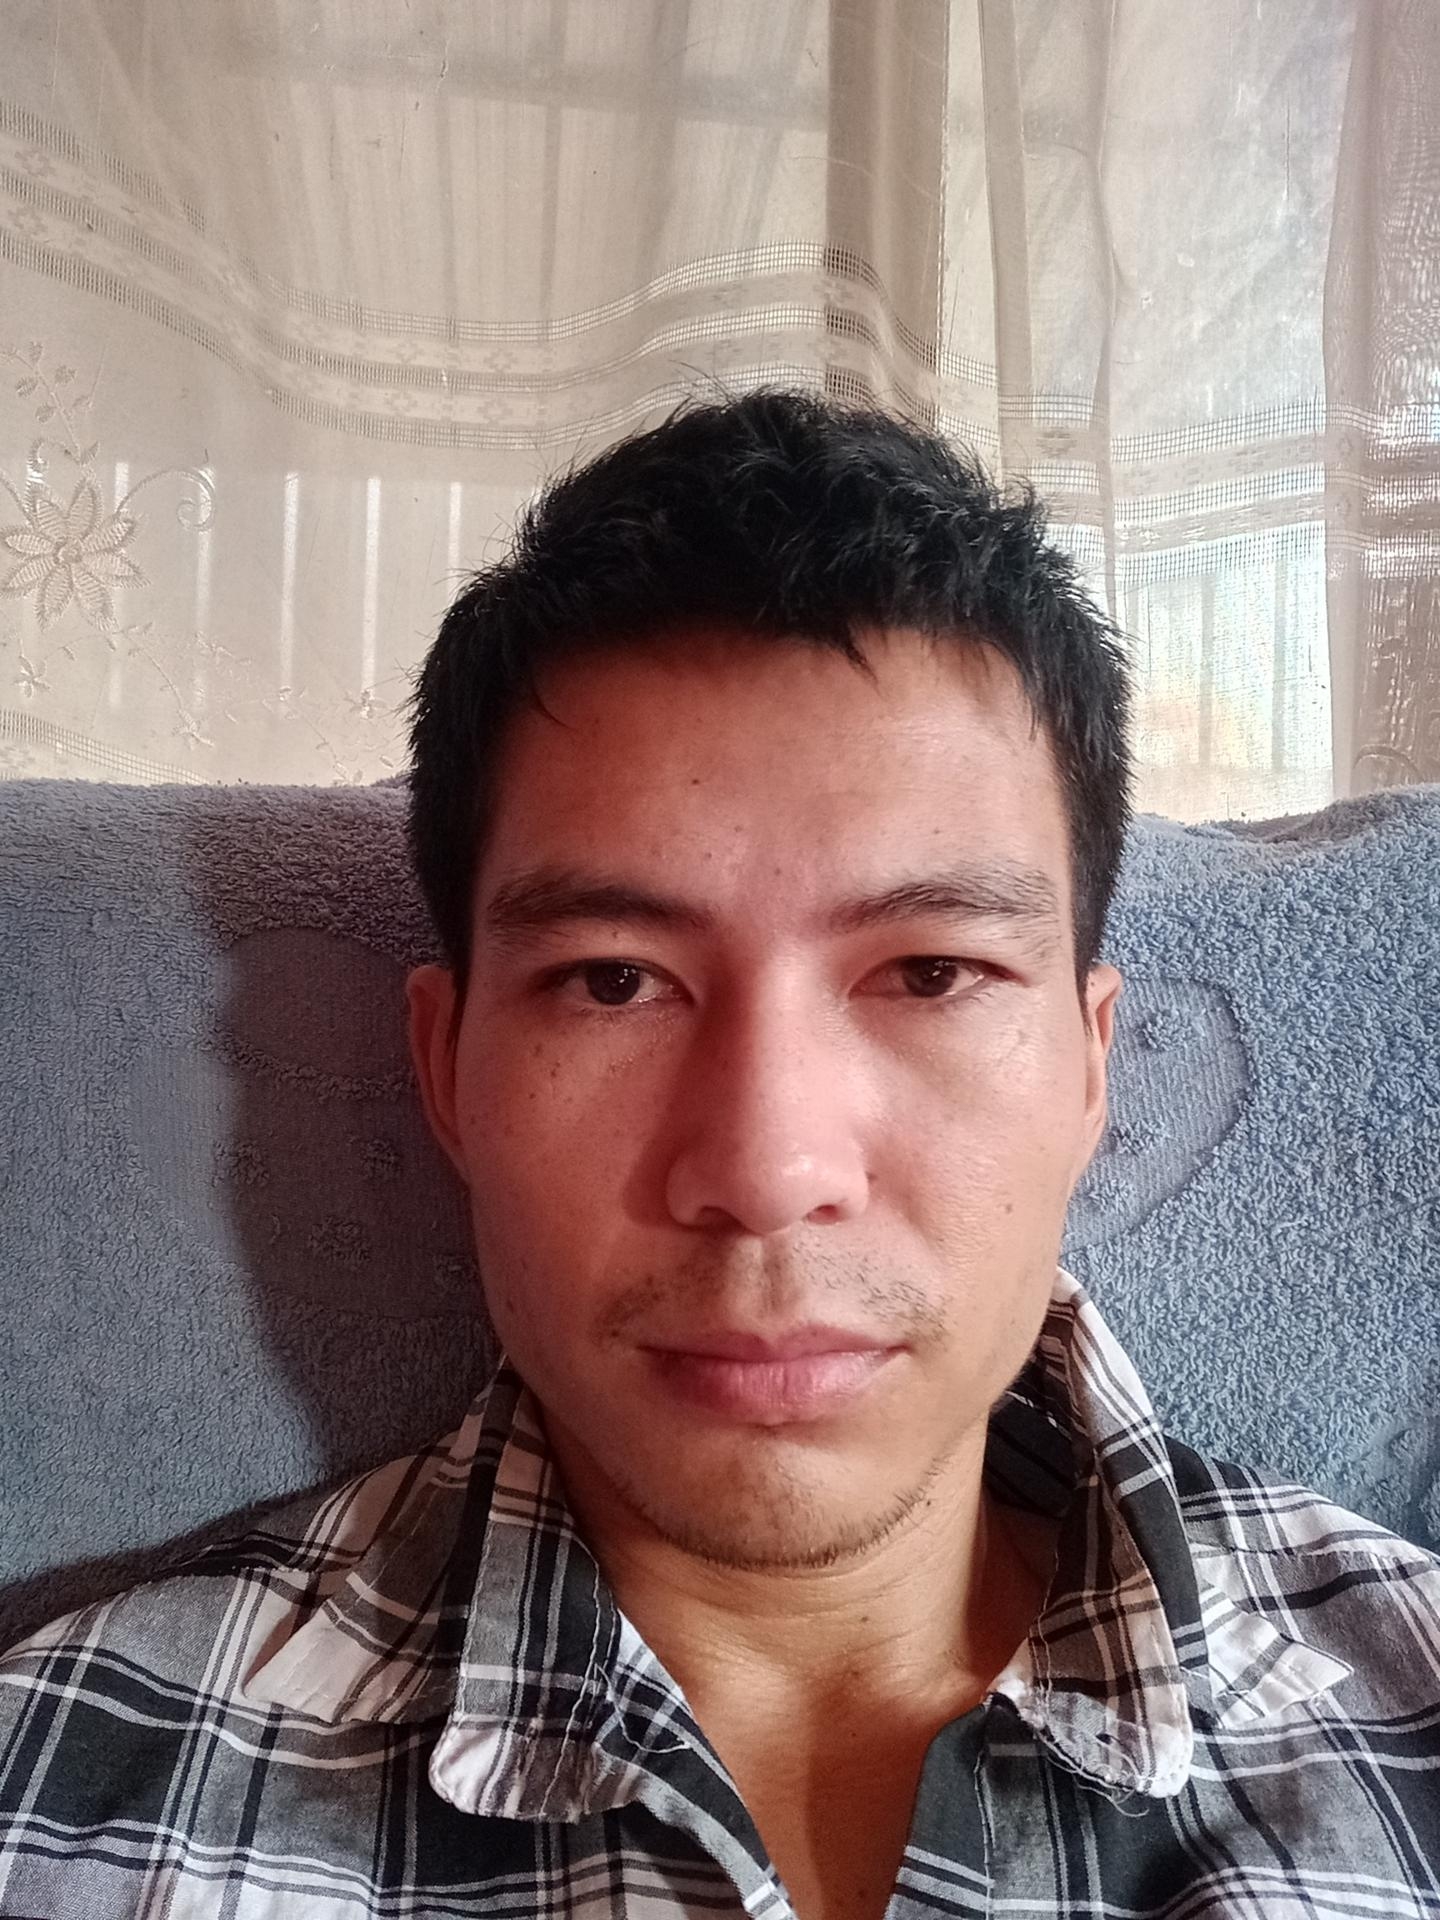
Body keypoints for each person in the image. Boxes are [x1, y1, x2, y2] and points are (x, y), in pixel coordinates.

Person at [2, 389, 1439, 1920]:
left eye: (930, 972)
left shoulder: (1406, 1705)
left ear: (1093, 1067)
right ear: (446, 1070)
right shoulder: (62, 1804)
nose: (766, 1172)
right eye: (614, 980)